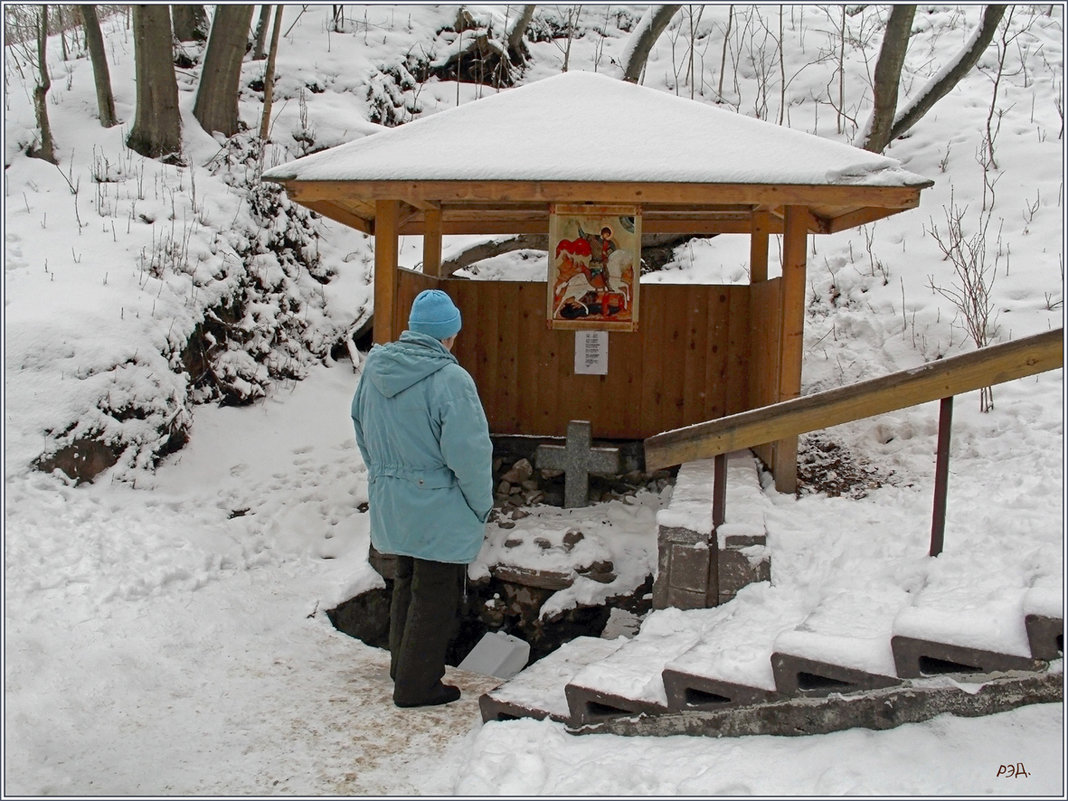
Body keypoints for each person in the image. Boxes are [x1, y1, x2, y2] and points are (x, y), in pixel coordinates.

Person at [350, 289, 493, 708]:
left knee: (407, 581)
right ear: (448, 335)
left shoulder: (375, 370)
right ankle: (418, 685)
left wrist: (386, 477)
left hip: (393, 499)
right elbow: (469, 452)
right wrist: (479, 504)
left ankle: (403, 667)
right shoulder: (450, 379)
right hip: (439, 503)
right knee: (436, 592)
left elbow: (361, 429)